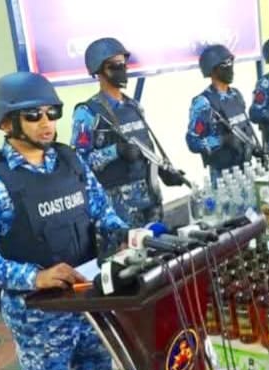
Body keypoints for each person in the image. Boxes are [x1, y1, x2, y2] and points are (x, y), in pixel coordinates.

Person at [0, 71, 128, 370]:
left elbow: (102, 212)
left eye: (52, 113)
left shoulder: (70, 160)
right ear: (6, 123)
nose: (47, 123)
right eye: (33, 115)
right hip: (39, 315)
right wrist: (35, 277)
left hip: (89, 297)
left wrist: (126, 235)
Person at [71, 37, 185, 243]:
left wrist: (163, 171)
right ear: (99, 71)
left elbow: (145, 148)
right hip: (119, 210)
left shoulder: (133, 106)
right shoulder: (87, 113)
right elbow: (79, 163)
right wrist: (116, 151)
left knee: (161, 253)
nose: (122, 70)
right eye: (114, 66)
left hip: (150, 203)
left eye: (123, 64)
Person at [186, 44, 260, 181]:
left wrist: (254, 147)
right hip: (223, 177)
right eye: (224, 65)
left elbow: (246, 127)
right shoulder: (203, 103)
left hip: (246, 169)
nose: (230, 68)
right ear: (212, 70)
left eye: (231, 63)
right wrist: (222, 140)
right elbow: (193, 141)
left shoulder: (235, 95)